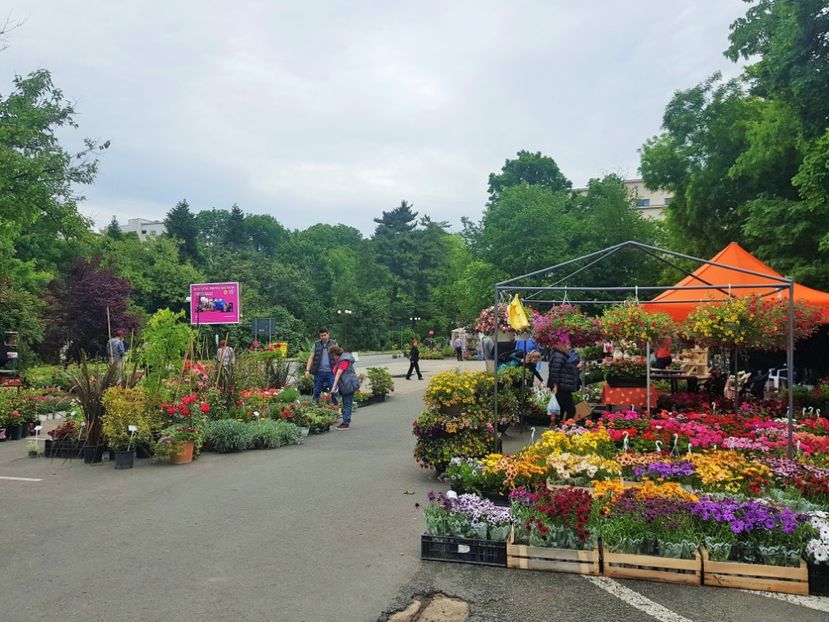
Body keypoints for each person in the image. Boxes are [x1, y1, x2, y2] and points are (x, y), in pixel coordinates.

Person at [547, 341, 579, 424]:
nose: (569, 347)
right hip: (561, 387)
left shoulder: (561, 356)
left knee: (562, 410)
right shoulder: (558, 356)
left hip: (563, 387)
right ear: (561, 346)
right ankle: (565, 428)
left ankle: (560, 430)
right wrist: (555, 386)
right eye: (567, 345)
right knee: (570, 409)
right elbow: (555, 372)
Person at [305, 328, 338, 405]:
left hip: (331, 371)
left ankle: (336, 405)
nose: (323, 337)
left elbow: (339, 357)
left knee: (333, 390)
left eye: (324, 335)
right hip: (319, 372)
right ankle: (315, 405)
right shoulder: (316, 344)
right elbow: (311, 357)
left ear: (328, 334)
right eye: (321, 335)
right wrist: (307, 370)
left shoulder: (334, 343)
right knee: (316, 390)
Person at [329, 345, 358, 430]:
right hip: (345, 385)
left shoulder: (344, 361)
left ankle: (346, 423)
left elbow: (338, 374)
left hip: (348, 385)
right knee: (345, 403)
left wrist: (333, 387)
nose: (332, 358)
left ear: (335, 354)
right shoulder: (341, 360)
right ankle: (345, 421)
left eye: (332, 356)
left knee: (347, 403)